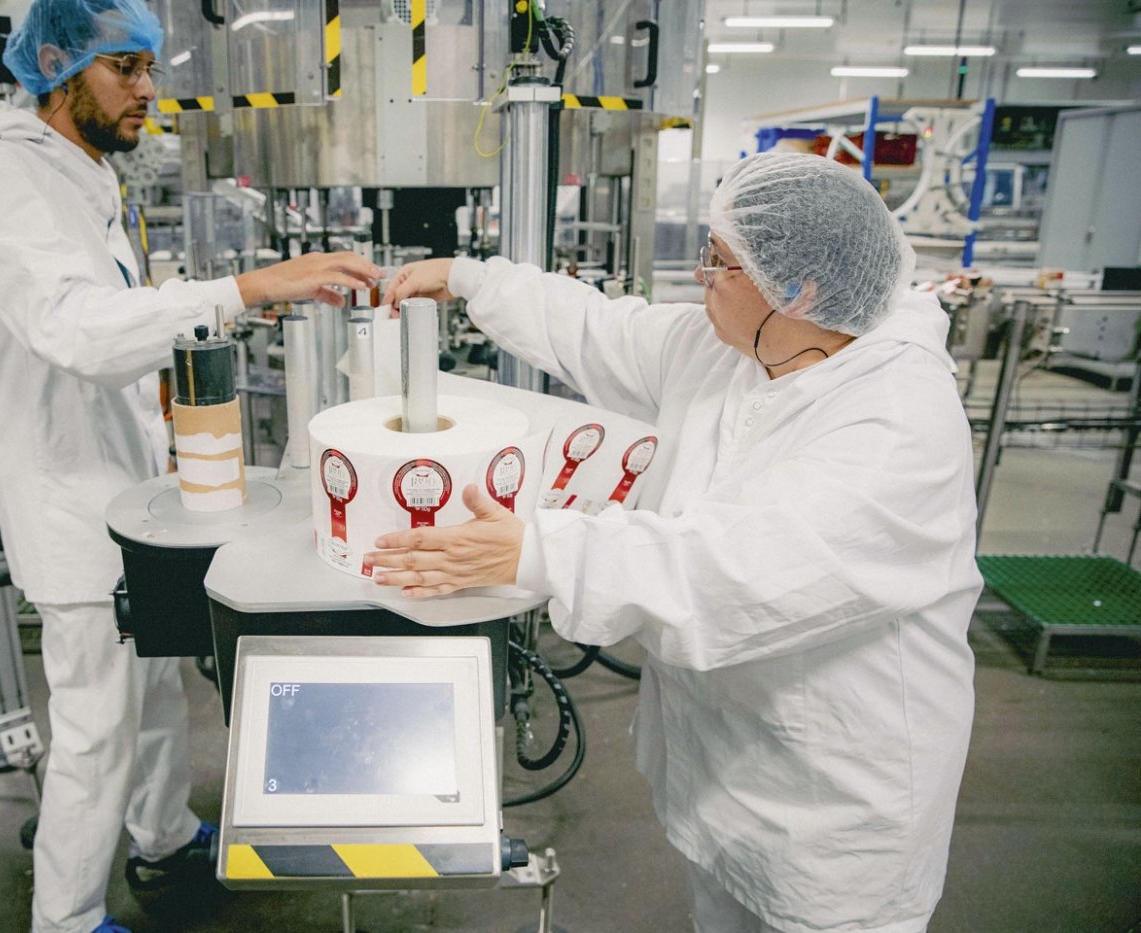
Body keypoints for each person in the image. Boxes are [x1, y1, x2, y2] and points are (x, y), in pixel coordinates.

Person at [371, 153, 982, 933]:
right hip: (728, 769)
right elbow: (602, 331)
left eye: (719, 261)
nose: (700, 275)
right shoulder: (739, 348)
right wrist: (468, 278)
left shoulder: (897, 422)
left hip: (835, 810)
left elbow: (731, 571)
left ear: (799, 290)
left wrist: (538, 552)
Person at [0, 3, 382, 931]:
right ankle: (64, 917)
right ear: (55, 65)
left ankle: (162, 833)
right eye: (125, 69)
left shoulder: (82, 174)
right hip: (69, 504)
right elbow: (77, 333)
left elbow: (118, 325)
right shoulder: (2, 180)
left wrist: (200, 354)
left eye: (150, 67)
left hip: (124, 490)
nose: (147, 89)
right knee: (95, 725)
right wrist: (242, 288)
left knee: (152, 690)